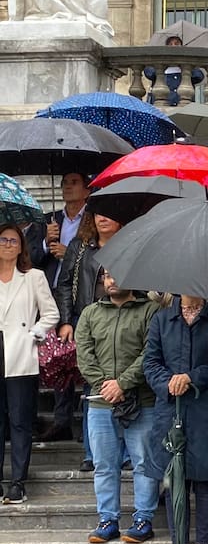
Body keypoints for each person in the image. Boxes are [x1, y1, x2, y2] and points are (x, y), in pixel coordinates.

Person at [144, 295, 208, 544]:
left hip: (206, 409)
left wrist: (193, 377)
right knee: (174, 480)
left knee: (207, 478)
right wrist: (168, 382)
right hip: (171, 408)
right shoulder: (161, 320)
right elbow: (151, 363)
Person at [75, 270, 156, 538]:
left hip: (141, 400)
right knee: (104, 464)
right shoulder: (90, 314)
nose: (111, 281)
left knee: (143, 462)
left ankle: (143, 519)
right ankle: (107, 520)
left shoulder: (150, 310)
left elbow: (150, 353)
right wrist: (106, 387)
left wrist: (123, 383)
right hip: (101, 403)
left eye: (117, 275)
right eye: (107, 276)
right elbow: (84, 355)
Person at [54, 211, 121, 470]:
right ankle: (92, 453)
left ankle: (123, 453)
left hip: (123, 318)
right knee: (92, 384)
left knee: (123, 382)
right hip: (87, 318)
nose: (103, 218)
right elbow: (64, 283)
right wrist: (66, 320)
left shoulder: (130, 243)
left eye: (109, 213)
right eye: (97, 214)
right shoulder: (79, 247)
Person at [0, 224, 59, 505]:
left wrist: (33, 334)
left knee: (20, 422)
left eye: (14, 240)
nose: (8, 244)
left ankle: (17, 482)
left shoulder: (33, 276)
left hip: (20, 354)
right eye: (3, 239)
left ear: (22, 246)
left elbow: (51, 314)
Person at [33, 172, 90, 444]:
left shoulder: (93, 219)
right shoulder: (49, 220)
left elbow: (96, 256)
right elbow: (29, 257)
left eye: (74, 183)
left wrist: (71, 254)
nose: (67, 187)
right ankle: (62, 420)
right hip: (50, 297)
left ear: (87, 189)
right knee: (58, 358)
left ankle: (88, 419)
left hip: (81, 296)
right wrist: (45, 243)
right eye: (64, 183)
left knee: (83, 355)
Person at [142, 36, 205, 106]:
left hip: (183, 105)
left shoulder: (186, 67)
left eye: (176, 44)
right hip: (163, 106)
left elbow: (199, 76)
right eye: (170, 44)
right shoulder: (160, 66)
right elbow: (149, 72)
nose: (173, 46)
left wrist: (187, 61)